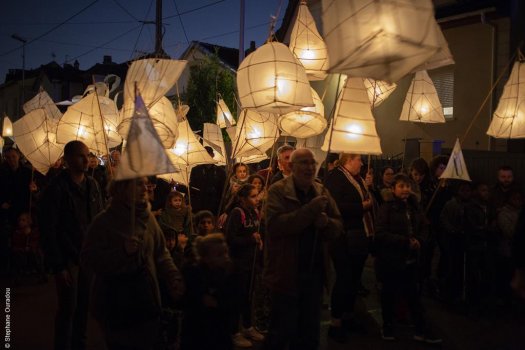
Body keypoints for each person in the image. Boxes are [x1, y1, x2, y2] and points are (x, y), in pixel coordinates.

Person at [80, 177, 184, 350]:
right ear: (122, 189)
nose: (145, 188)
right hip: (116, 304)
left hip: (146, 300)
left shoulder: (148, 218)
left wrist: (173, 276)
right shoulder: (104, 221)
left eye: (146, 184)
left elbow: (161, 253)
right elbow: (88, 259)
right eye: (138, 184)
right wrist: (122, 252)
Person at [264, 148, 343, 350]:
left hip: (314, 274)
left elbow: (338, 226)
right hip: (287, 273)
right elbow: (275, 226)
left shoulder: (322, 191)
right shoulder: (278, 191)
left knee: (309, 334)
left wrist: (326, 223)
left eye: (312, 163)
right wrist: (310, 211)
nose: (310, 167)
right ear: (291, 166)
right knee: (283, 333)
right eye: (304, 163)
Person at [39, 140, 104, 350]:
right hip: (68, 258)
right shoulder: (56, 188)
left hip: (87, 257)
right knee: (68, 308)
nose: (87, 160)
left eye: (88, 155)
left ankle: (80, 344)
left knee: (84, 306)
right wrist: (58, 266)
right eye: (80, 156)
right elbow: (49, 229)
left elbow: (98, 219)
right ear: (68, 160)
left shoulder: (92, 185)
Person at [375, 173, 442, 344]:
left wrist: (419, 240)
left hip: (411, 260)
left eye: (407, 186)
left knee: (413, 296)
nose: (405, 190)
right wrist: (405, 242)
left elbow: (425, 227)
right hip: (392, 260)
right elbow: (381, 234)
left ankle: (420, 329)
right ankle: (388, 326)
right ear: (393, 189)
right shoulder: (387, 208)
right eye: (401, 186)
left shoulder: (414, 207)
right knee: (389, 294)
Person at [324, 153, 374, 342]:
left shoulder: (357, 178)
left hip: (359, 236)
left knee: (353, 279)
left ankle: (348, 316)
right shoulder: (335, 177)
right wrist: (361, 206)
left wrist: (368, 189)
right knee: (344, 278)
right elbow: (335, 205)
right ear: (348, 160)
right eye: (358, 159)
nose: (361, 162)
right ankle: (335, 323)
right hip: (343, 237)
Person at [225, 183, 264, 347]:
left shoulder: (254, 212)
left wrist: (259, 240)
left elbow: (255, 232)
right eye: (253, 196)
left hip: (251, 263)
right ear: (243, 198)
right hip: (238, 264)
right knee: (237, 297)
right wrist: (251, 240)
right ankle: (234, 331)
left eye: (257, 195)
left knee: (249, 296)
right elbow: (230, 239)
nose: (257, 199)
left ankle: (248, 326)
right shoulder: (236, 213)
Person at [180, 233, 236, 350]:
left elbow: (232, 304)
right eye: (220, 254)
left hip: (220, 334)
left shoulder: (228, 275)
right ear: (205, 258)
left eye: (226, 252)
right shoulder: (194, 275)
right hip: (197, 335)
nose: (226, 257)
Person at [189, 146, 226, 215]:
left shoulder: (220, 171)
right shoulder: (195, 170)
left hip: (215, 206)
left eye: (208, 154)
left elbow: (223, 190)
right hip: (199, 205)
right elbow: (192, 188)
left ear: (212, 155)